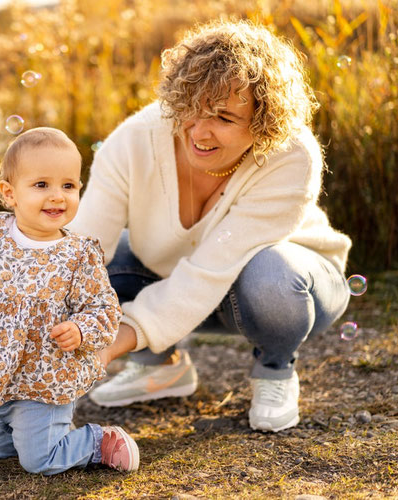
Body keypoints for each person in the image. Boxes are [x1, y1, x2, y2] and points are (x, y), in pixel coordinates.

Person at [67, 19, 352, 433]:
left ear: (262, 120)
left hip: (288, 287)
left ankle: (275, 370)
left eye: (223, 117)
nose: (200, 132)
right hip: (185, 281)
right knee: (94, 267)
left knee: (272, 278)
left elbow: (210, 270)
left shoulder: (292, 156)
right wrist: (37, 322)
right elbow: (82, 247)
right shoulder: (134, 140)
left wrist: (117, 340)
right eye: (193, 109)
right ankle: (161, 367)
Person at [0, 127, 139, 474]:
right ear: (9, 192)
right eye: (41, 185)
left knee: (39, 460)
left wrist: (80, 328)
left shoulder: (79, 254)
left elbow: (105, 310)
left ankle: (97, 442)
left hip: (44, 378)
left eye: (68, 185)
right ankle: (26, 433)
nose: (57, 196)